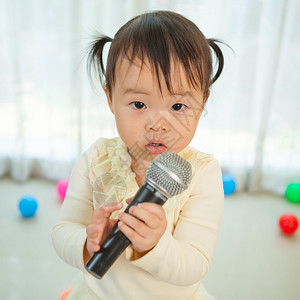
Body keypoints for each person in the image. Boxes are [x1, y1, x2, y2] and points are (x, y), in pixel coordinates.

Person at [52, 10, 225, 300]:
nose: (157, 124)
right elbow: (62, 230)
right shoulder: (96, 159)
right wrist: (87, 241)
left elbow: (196, 263)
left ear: (203, 101)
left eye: (178, 107)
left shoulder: (203, 173)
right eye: (138, 104)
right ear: (110, 98)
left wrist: (156, 246)